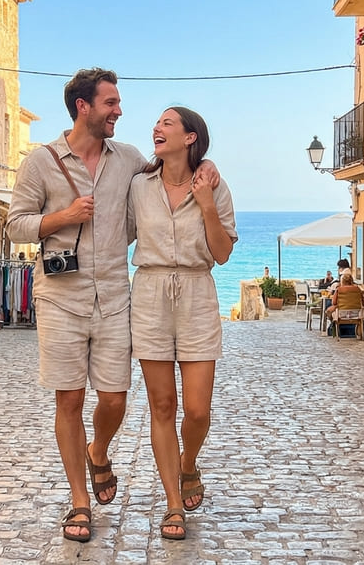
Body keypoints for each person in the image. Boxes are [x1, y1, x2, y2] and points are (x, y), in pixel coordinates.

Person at [5, 69, 218, 543]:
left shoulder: (131, 160)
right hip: (61, 295)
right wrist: (63, 216)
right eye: (111, 103)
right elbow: (15, 225)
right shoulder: (40, 162)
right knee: (70, 397)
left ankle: (98, 450)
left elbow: (172, 179)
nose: (119, 111)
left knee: (115, 398)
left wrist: (209, 169)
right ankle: (79, 503)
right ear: (84, 107)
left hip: (118, 296)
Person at [128, 106, 236, 540]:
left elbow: (223, 253)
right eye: (157, 123)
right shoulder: (139, 184)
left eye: (167, 123)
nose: (157, 127)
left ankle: (189, 463)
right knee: (162, 406)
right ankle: (174, 502)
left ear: (191, 137)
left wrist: (207, 203)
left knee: (197, 410)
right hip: (150, 294)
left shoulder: (214, 184)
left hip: (196, 292)